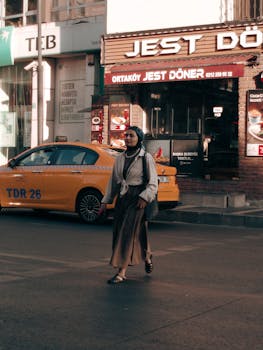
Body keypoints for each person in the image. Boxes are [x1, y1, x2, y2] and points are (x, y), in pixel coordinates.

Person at [100, 126, 158, 284]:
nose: (127, 138)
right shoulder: (120, 158)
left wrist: (145, 197)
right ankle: (147, 256)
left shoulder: (146, 157)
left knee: (126, 232)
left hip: (138, 199)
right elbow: (113, 181)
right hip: (123, 198)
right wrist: (105, 201)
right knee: (134, 231)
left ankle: (121, 272)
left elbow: (153, 182)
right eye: (126, 135)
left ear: (139, 138)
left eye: (131, 135)